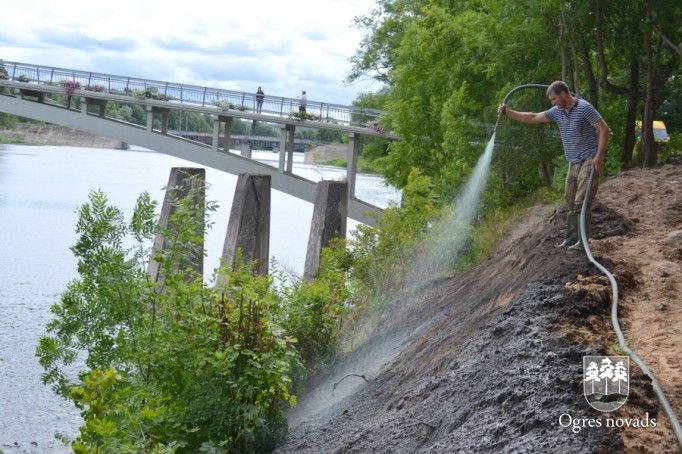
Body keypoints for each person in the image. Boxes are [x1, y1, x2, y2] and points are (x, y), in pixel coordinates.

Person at [499, 80, 611, 251]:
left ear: (563, 95)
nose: (553, 103)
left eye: (554, 99)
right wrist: (510, 113)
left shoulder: (584, 108)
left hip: (589, 159)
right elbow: (533, 117)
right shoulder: (558, 111)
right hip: (573, 161)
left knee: (582, 200)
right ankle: (570, 239)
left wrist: (600, 156)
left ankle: (582, 242)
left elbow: (604, 129)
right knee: (570, 198)